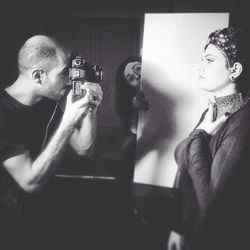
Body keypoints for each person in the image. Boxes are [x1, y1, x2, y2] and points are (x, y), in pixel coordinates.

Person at [0, 35, 103, 248]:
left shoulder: (47, 102)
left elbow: (84, 148)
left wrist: (91, 109)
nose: (70, 79)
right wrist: (68, 121)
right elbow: (30, 182)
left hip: (38, 213)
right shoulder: (3, 114)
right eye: (64, 73)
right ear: (39, 76)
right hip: (7, 222)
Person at [167, 27, 250, 250]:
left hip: (218, 239)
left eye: (210, 60)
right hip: (191, 230)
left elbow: (210, 201)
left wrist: (198, 135)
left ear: (235, 70)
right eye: (202, 59)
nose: (200, 66)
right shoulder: (213, 111)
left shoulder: (242, 121)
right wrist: (178, 226)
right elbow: (183, 165)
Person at [115, 56, 149, 179]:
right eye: (131, 78)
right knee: (128, 148)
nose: (137, 76)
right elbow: (132, 131)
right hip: (136, 131)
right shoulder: (128, 100)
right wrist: (134, 108)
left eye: (138, 69)